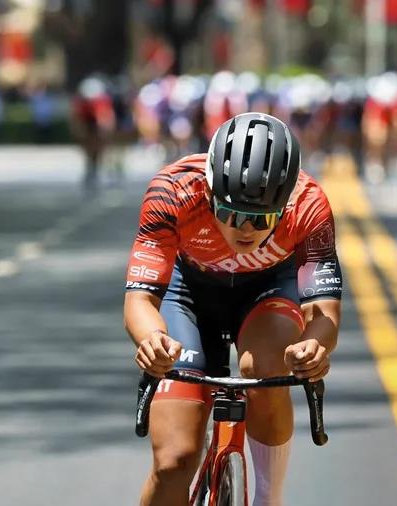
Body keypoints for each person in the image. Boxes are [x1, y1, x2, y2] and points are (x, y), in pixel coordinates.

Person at [124, 112, 343, 506]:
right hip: (188, 292)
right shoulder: (173, 190)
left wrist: (313, 347)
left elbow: (323, 313)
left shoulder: (309, 205)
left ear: (285, 205)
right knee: (174, 462)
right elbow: (140, 299)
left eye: (261, 219)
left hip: (268, 289)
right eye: (230, 213)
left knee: (268, 365)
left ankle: (269, 499)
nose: (245, 229)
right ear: (208, 190)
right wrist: (152, 339)